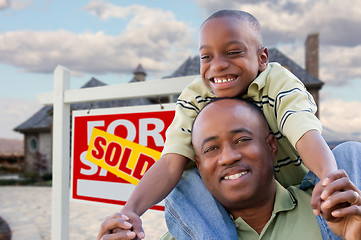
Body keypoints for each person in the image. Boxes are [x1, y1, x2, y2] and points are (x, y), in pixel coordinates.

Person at [99, 9, 341, 239]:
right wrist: (130, 211)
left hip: (301, 188)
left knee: (349, 152)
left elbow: (303, 131)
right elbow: (171, 161)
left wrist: (328, 177)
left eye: (233, 52)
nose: (218, 65)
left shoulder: (279, 82)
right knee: (185, 180)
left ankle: (338, 226)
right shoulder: (196, 96)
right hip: (230, 195)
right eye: (206, 57)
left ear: (262, 58)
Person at [97, 98, 361, 240]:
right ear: (198, 166)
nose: (228, 157)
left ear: (271, 146)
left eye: (242, 140)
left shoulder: (337, 215)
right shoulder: (185, 234)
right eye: (211, 149)